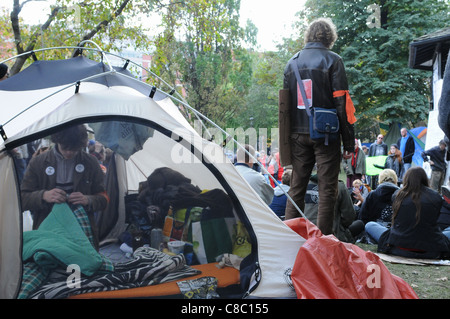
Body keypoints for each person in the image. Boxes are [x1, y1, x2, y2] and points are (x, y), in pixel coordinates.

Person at [281, 18, 356, 235]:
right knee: (327, 190)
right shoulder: (334, 61)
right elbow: (342, 104)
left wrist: (286, 140)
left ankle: (289, 237)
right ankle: (322, 243)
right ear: (329, 37)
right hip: (326, 134)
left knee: (296, 187)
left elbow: (284, 106)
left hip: (297, 134)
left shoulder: (291, 63)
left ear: (309, 36)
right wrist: (348, 141)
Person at [21, 124, 109, 250]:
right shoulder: (38, 163)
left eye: (74, 149)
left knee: (82, 267)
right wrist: (44, 196)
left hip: (82, 234)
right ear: (57, 141)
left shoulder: (91, 162)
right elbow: (22, 199)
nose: (69, 153)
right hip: (47, 232)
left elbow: (104, 199)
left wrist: (88, 199)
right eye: (65, 148)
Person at [365, 167, 450, 259]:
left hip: (398, 246)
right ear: (424, 179)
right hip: (429, 249)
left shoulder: (397, 195)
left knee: (370, 225)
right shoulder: (435, 197)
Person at [304, 174, 364, 243]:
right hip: (331, 235)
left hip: (305, 232)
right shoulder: (340, 186)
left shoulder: (303, 184)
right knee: (359, 224)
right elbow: (349, 216)